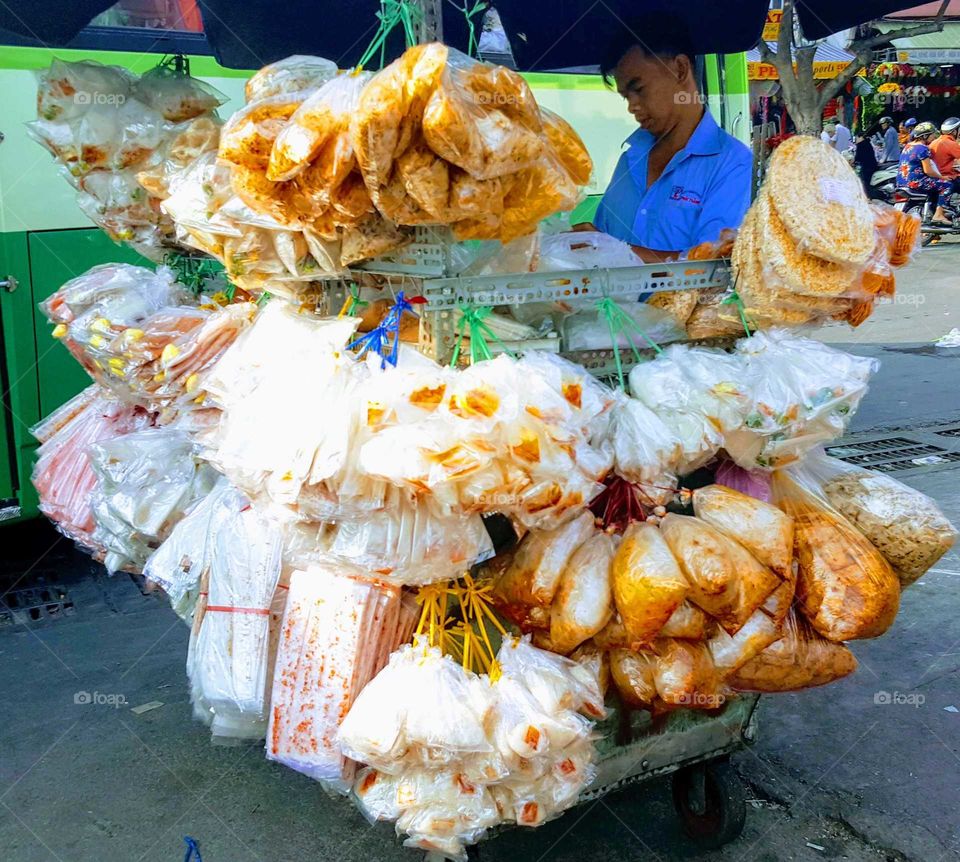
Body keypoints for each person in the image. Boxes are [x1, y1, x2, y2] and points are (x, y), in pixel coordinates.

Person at [581, 14, 752, 262]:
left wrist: (612, 250)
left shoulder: (733, 164)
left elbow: (713, 266)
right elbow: (601, 242)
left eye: (638, 90)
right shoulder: (630, 158)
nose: (631, 107)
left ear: (680, 69)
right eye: (626, 97)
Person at [898, 121, 952, 225]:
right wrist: (943, 177)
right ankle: (939, 214)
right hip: (916, 182)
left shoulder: (908, 146)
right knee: (947, 185)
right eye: (932, 134)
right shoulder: (923, 149)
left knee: (935, 185)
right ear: (925, 136)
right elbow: (929, 171)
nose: (934, 137)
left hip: (902, 182)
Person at [930, 117, 960, 193]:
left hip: (935, 177)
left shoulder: (934, 142)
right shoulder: (951, 143)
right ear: (954, 132)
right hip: (947, 177)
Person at [854, 129, 880, 199]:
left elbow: (858, 157)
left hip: (867, 167)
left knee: (865, 182)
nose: (856, 140)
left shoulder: (860, 145)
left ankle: (868, 197)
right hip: (873, 165)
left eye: (856, 138)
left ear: (860, 137)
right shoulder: (868, 143)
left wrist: (854, 161)